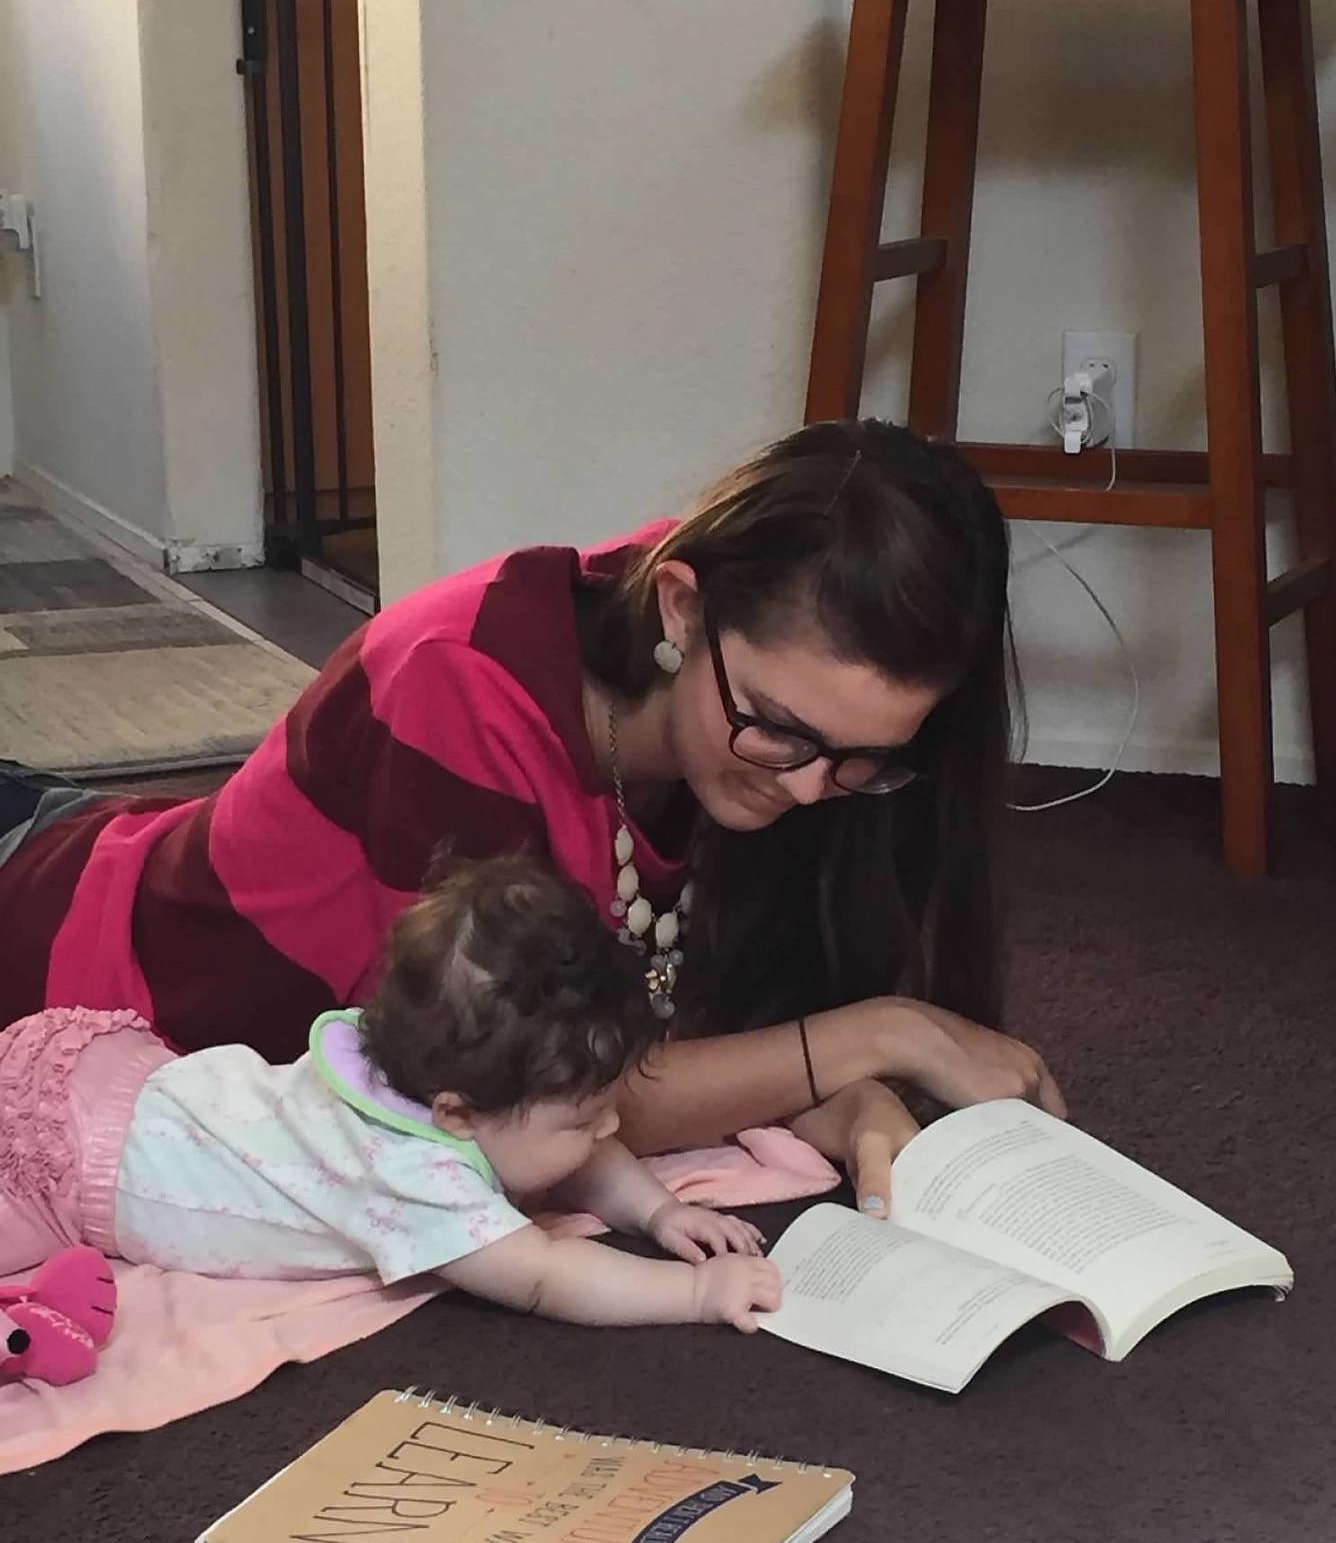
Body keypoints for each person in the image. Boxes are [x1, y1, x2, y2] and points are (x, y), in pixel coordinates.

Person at [0, 418, 1064, 1213]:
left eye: (864, 760)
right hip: (68, 962)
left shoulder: (755, 650)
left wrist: (835, 1092)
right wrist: (887, 1034)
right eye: (778, 730)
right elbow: (528, 1102)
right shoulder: (455, 689)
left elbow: (687, 1017)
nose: (804, 788)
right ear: (682, 608)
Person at [0, 856, 782, 1333]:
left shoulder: (422, 1060)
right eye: (583, 1118)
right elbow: (545, 1276)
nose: (609, 1127)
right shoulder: (409, 1174)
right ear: (454, 1114)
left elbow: (579, 1159)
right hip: (65, 1167)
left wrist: (658, 1212)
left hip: (113, 1075)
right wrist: (694, 1292)